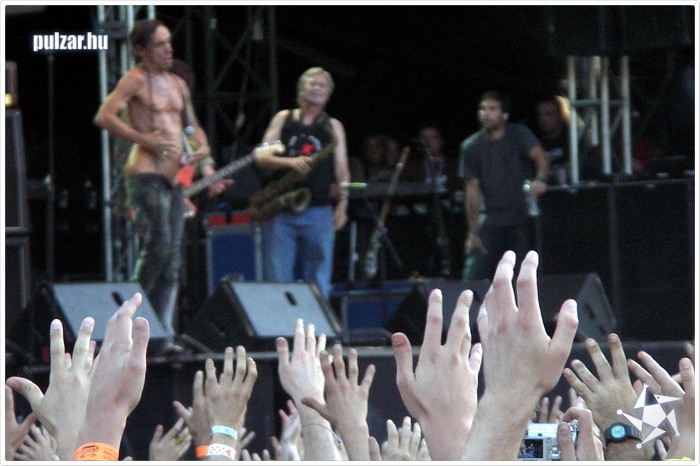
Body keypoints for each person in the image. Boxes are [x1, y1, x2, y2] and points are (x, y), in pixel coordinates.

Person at [93, 19, 212, 351]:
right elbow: (104, 116)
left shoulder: (178, 84)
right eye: (160, 45)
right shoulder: (136, 79)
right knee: (158, 245)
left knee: (172, 259)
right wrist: (144, 139)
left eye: (169, 42)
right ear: (141, 50)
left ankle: (161, 336)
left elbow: (191, 126)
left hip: (173, 178)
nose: (168, 49)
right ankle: (126, 320)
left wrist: (202, 148)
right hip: (145, 173)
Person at [256, 67, 350, 300]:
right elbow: (261, 156)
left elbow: (342, 170)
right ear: (301, 89)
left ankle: (316, 323)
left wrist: (343, 204)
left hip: (319, 209)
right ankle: (282, 323)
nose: (317, 88)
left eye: (323, 85)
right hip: (281, 209)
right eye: (312, 83)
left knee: (319, 280)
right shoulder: (284, 118)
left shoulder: (333, 126)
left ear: (329, 94)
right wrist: (290, 162)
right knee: (278, 279)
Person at [458, 91, 550, 281]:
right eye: (483, 109)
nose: (486, 113)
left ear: (505, 114)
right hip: (490, 219)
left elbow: (541, 158)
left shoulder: (519, 134)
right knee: (473, 277)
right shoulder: (471, 146)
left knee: (522, 275)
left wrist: (540, 180)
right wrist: (473, 232)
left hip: (520, 217)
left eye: (492, 109)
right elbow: (472, 189)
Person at [534, 95, 571, 186]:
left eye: (549, 114)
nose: (543, 119)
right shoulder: (535, 143)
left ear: (560, 116)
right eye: (540, 115)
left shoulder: (572, 140)